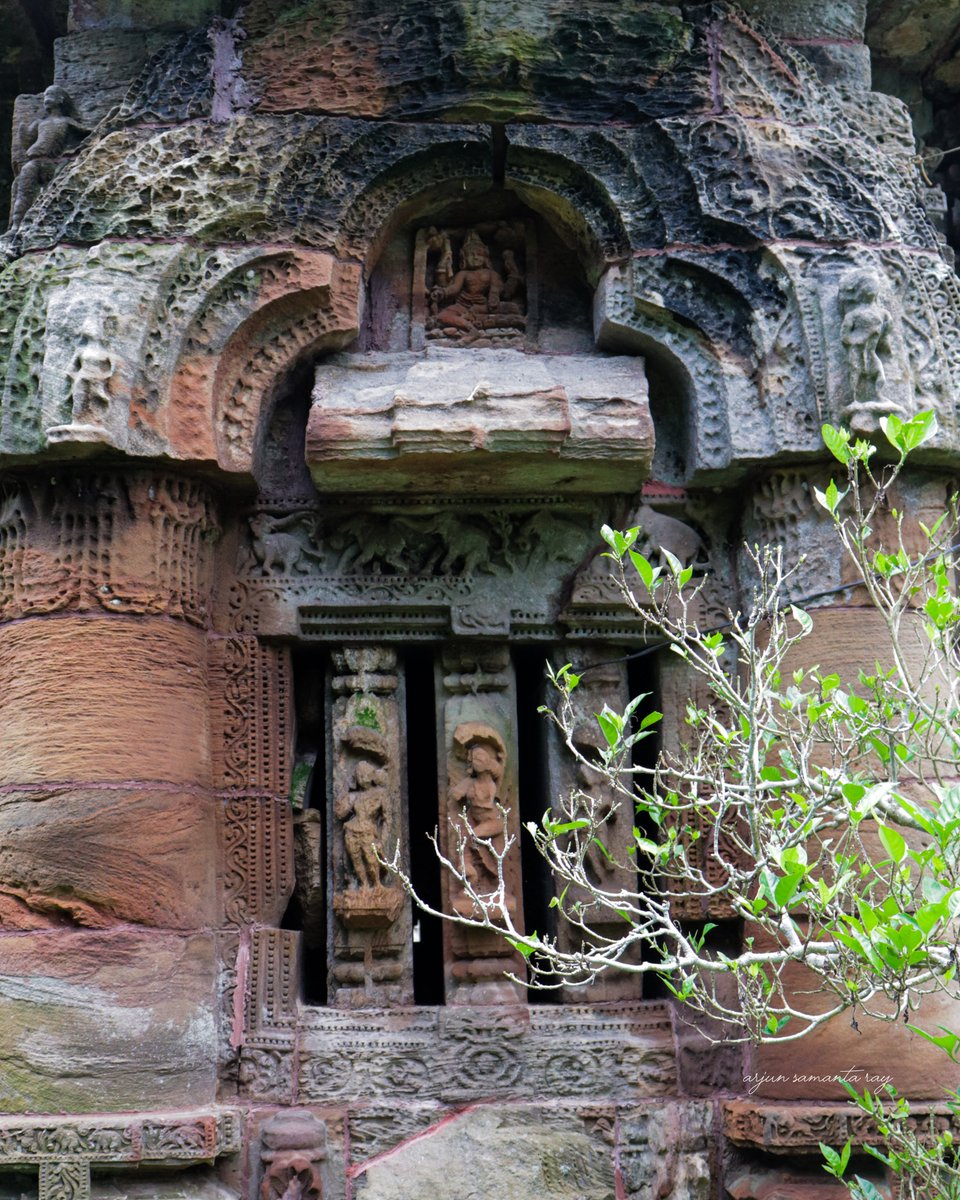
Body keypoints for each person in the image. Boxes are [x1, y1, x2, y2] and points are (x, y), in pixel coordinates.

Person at [9, 86, 88, 230]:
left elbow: (88, 133)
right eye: (45, 95)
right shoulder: (40, 123)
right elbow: (27, 141)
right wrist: (22, 131)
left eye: (50, 94)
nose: (46, 98)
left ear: (61, 99)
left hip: (53, 163)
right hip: (34, 160)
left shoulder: (67, 121)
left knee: (47, 194)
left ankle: (39, 224)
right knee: (23, 192)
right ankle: (16, 226)